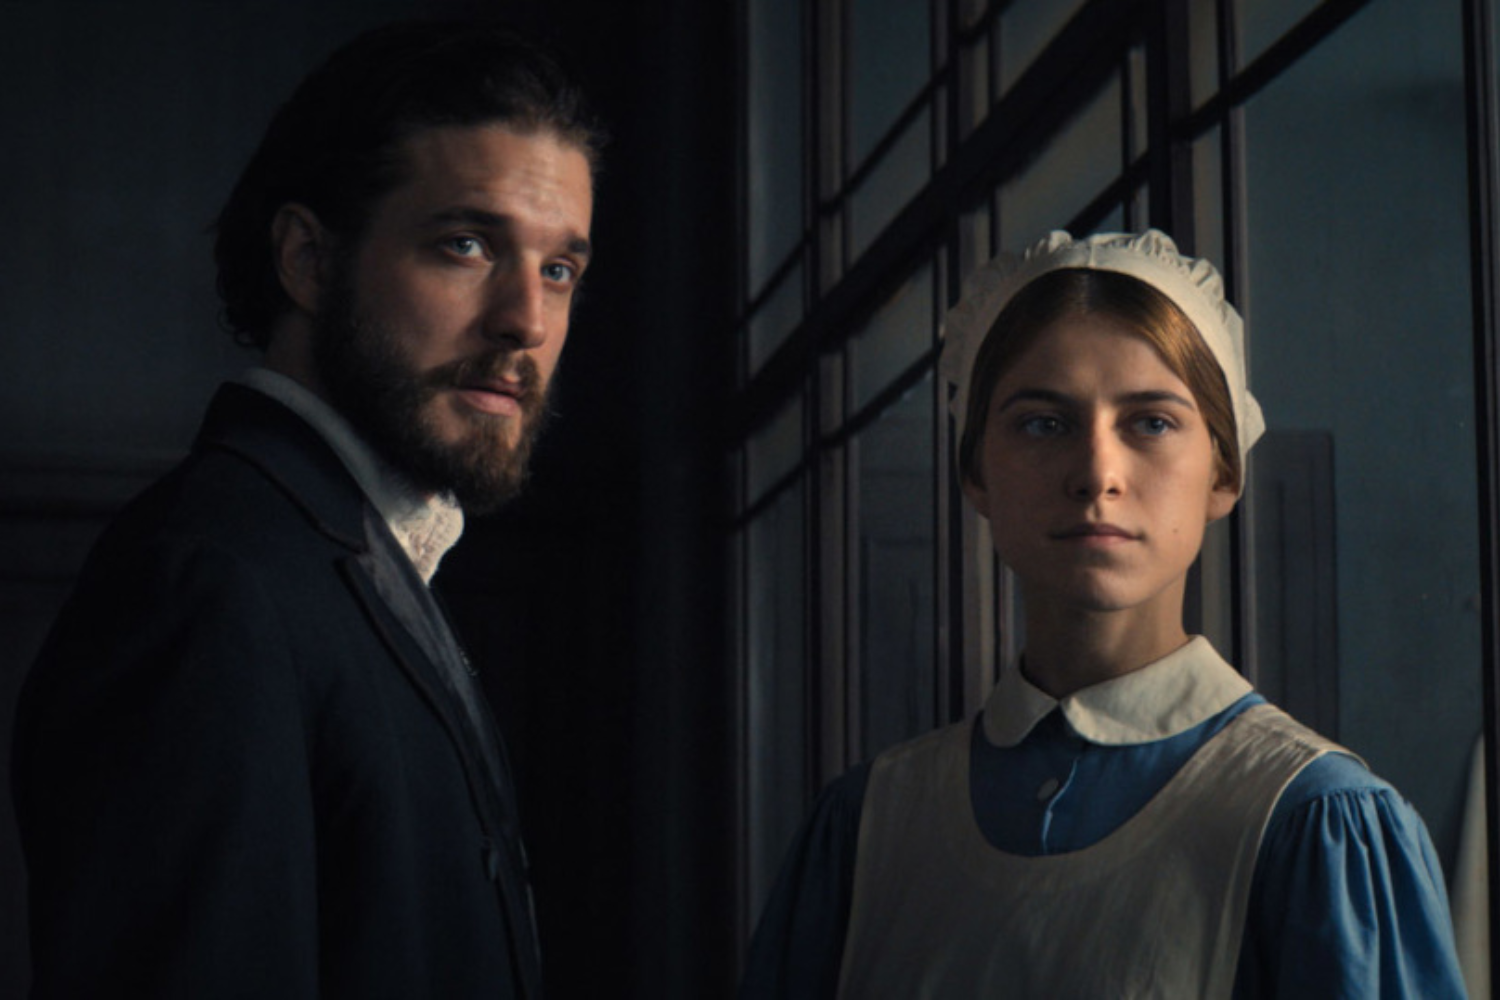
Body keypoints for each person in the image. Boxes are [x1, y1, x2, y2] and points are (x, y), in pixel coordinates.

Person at [12, 20, 602, 999]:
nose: (526, 321)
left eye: (558, 269)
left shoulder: (348, 560)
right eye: (466, 244)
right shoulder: (207, 586)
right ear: (308, 261)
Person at [740, 230, 1467, 997]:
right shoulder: (865, 830)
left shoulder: (1313, 825)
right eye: (1042, 423)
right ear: (975, 474)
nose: (1097, 473)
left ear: (1224, 473)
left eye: (1151, 422)